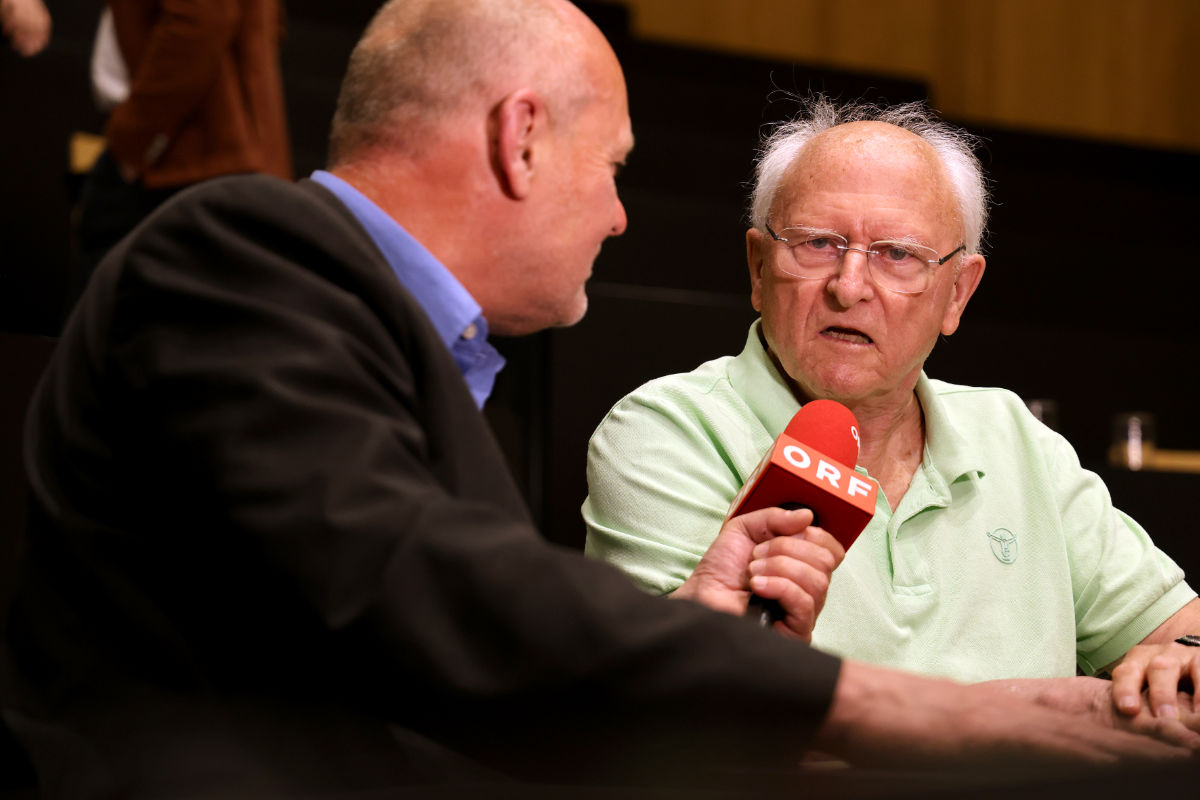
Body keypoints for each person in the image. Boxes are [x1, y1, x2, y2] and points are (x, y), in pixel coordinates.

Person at [3, 3, 1197, 797]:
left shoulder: (391, 342)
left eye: (896, 257)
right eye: (616, 167)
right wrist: (964, 717)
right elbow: (431, 594)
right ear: (522, 140)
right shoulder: (244, 245)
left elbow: (449, 662)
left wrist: (694, 614)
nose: (624, 214)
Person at [582, 97, 1200, 725]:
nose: (849, 286)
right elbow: (693, 729)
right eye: (818, 243)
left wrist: (1181, 658)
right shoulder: (666, 431)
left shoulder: (1014, 435)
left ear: (958, 292)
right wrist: (1051, 711)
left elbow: (1182, 632)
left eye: (897, 254)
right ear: (759, 267)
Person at [71, 0, 292, 297]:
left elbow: (203, 19)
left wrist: (136, 137)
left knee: (116, 319)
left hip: (181, 162)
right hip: (214, 160)